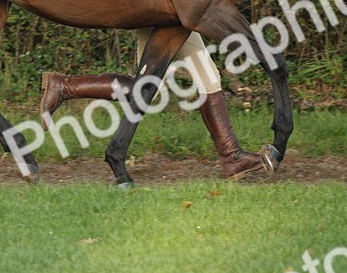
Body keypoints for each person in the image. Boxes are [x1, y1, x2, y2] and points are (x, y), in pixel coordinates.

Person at [40, 29, 273, 179]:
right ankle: (63, 86)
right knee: (148, 87)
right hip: (166, 13)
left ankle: (232, 157)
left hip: (171, 11)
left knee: (199, 78)